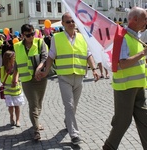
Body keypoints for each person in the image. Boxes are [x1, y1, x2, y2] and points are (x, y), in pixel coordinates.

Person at [36, 12, 99, 145]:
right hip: (64, 77)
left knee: (73, 106)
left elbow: (88, 55)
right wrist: (45, 72)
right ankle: (74, 134)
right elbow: (51, 56)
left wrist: (94, 69)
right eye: (68, 22)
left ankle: (67, 122)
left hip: (79, 76)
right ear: (63, 23)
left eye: (73, 21)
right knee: (69, 106)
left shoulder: (82, 37)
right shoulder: (56, 38)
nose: (71, 24)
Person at [102, 7, 147, 150]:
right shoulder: (123, 37)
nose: (146, 21)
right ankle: (109, 147)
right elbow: (123, 63)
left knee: (145, 119)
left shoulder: (136, 37)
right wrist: (143, 53)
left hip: (138, 86)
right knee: (122, 121)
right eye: (144, 18)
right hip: (125, 88)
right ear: (135, 20)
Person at [13, 24, 48, 140]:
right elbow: (17, 63)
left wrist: (40, 67)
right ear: (22, 35)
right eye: (28, 35)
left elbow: (45, 57)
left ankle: (36, 122)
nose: (31, 37)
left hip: (40, 78)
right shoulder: (17, 46)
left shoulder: (39, 42)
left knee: (39, 102)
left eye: (32, 34)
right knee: (33, 104)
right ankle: (36, 130)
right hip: (27, 80)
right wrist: (15, 77)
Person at [0, 50, 25, 127]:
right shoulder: (2, 69)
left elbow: (17, 76)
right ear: (8, 59)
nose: (15, 59)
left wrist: (15, 81)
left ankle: (18, 120)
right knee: (10, 106)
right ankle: (11, 116)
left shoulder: (16, 67)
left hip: (16, 90)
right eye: (14, 57)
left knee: (17, 106)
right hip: (7, 91)